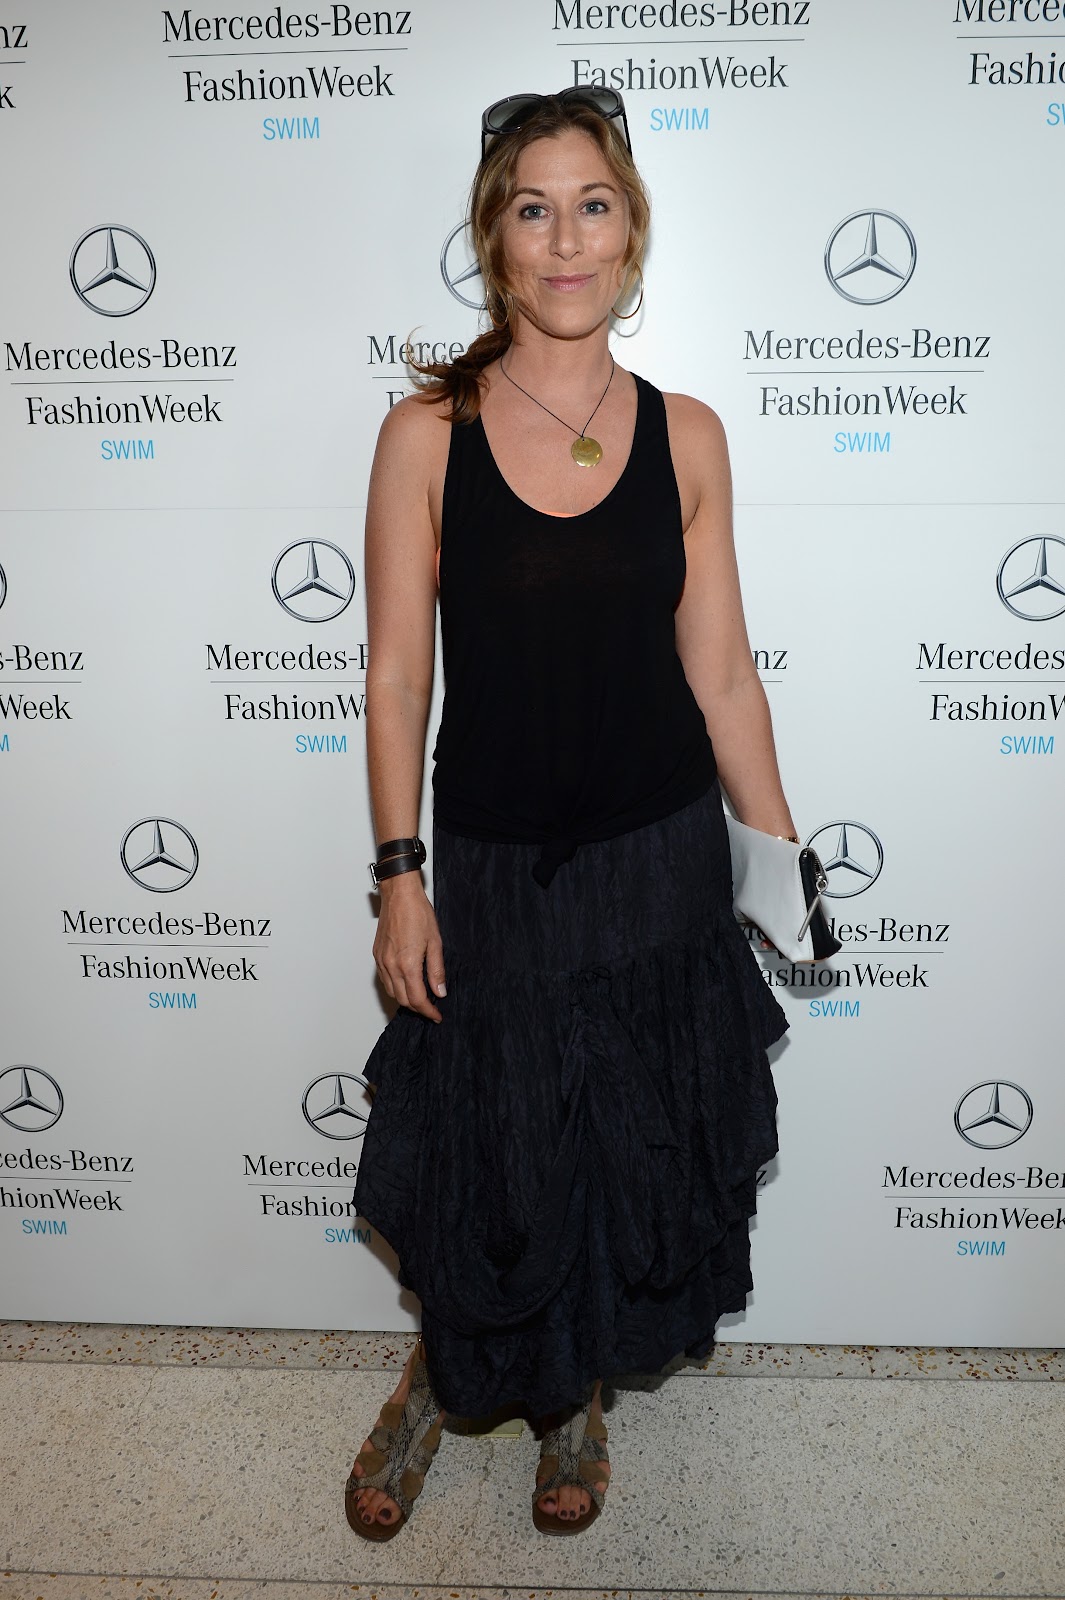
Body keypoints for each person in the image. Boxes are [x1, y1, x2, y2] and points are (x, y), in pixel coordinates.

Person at [345, 87, 794, 1542]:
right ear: (496, 237)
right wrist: (399, 875)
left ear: (629, 228)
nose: (564, 239)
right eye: (532, 209)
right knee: (494, 1154)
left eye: (591, 205)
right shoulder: (427, 433)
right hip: (495, 863)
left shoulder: (689, 435)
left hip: (658, 859)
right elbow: (397, 673)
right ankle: (438, 1372)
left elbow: (722, 674)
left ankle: (576, 1399)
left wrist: (780, 856)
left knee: (620, 1149)